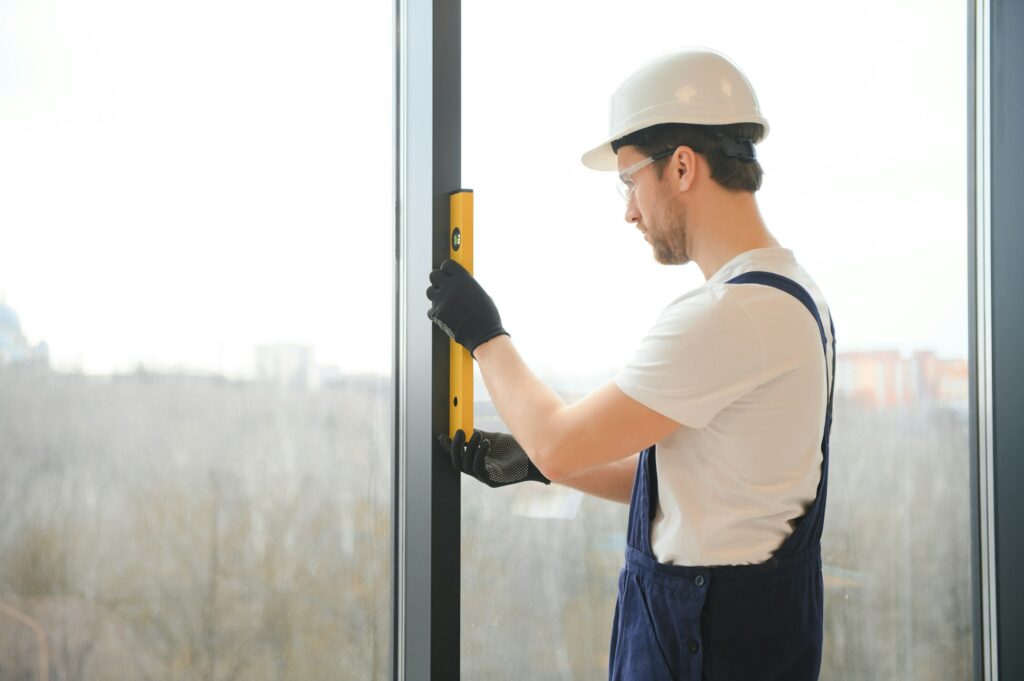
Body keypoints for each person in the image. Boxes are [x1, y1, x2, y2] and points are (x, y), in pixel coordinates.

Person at [426, 46, 835, 681]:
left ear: (680, 168)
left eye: (629, 181)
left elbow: (562, 442)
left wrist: (484, 335)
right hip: (734, 633)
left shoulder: (732, 313)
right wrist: (535, 463)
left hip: (707, 642)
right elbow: (686, 486)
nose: (629, 211)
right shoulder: (790, 293)